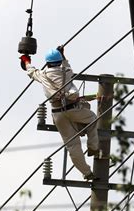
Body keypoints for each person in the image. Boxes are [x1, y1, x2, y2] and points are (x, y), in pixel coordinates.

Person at [19, 46, 99, 180]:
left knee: (73, 145)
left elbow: (31, 71)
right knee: (92, 118)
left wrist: (26, 60)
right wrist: (63, 55)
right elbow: (66, 64)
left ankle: (87, 173)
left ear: (48, 62)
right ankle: (93, 147)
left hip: (57, 113)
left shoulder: (43, 75)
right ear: (59, 61)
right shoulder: (67, 71)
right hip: (72, 108)